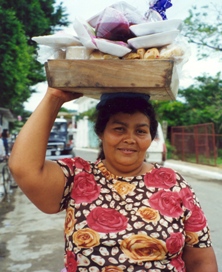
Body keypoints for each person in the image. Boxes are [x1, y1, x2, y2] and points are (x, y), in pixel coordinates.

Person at [9, 87, 218, 272]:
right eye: (119, 129)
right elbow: (22, 167)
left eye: (140, 131)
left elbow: (201, 261)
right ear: (101, 132)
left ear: (150, 137)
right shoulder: (78, 177)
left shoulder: (175, 185)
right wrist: (54, 97)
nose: (130, 139)